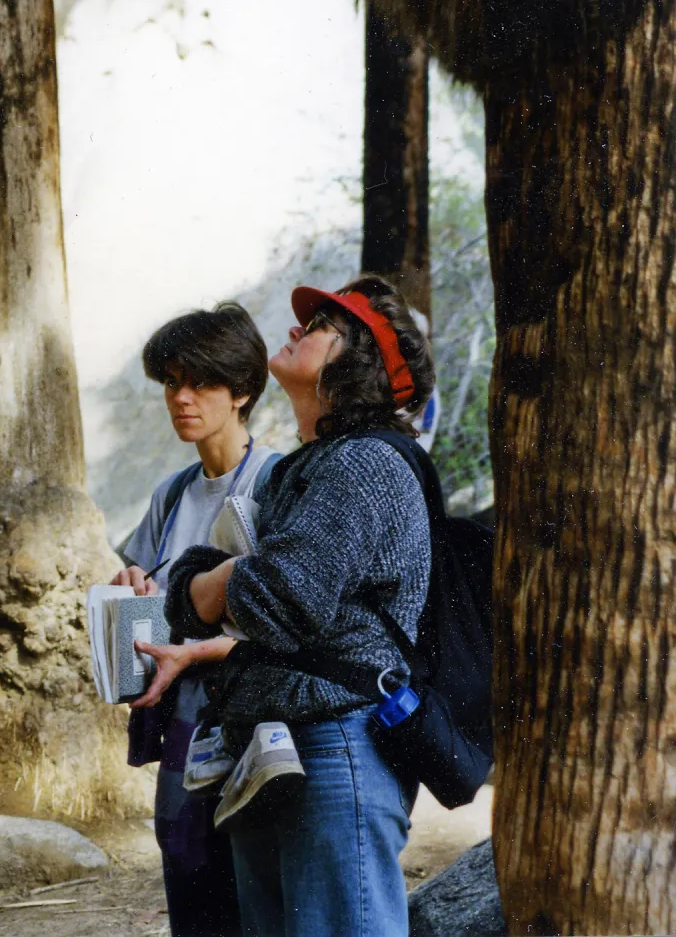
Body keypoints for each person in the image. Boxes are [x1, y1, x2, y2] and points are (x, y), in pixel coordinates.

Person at [165, 276, 435, 937]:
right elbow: (189, 592)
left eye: (319, 328)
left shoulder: (363, 466)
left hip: (337, 748)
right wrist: (218, 581)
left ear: (357, 362)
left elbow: (282, 595)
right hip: (280, 750)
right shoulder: (300, 471)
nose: (294, 331)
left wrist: (216, 582)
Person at [114, 304, 282, 937]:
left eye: (201, 383)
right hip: (182, 716)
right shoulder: (173, 491)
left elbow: (282, 617)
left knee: (249, 884)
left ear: (242, 391)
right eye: (171, 383)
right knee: (188, 876)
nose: (181, 399)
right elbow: (137, 584)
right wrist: (126, 586)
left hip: (253, 717)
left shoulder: (275, 479)